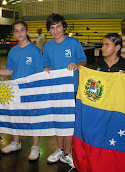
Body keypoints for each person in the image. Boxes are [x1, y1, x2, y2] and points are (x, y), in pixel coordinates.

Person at [0, 20, 44, 160]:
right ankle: (16, 142)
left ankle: (35, 147)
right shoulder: (13, 51)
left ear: (27, 32)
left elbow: (39, 73)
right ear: (13, 34)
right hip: (16, 90)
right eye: (16, 31)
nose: (19, 33)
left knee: (34, 118)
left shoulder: (35, 50)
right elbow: (10, 70)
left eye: (22, 30)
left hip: (31, 91)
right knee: (15, 116)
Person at [43, 13, 87, 168]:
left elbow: (83, 60)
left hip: (71, 89)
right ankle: (60, 149)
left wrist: (77, 64)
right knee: (58, 121)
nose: (56, 31)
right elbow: (45, 63)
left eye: (58, 27)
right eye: (52, 28)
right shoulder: (47, 46)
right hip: (55, 89)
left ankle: (68, 153)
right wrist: (46, 67)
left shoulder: (74, 43)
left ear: (64, 27)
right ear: (49, 30)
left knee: (69, 122)